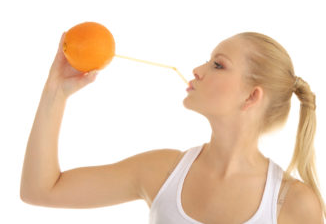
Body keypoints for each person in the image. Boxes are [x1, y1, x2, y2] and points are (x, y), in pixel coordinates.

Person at [20, 32, 325, 223]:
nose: (197, 69)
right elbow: (40, 190)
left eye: (218, 64)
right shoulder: (161, 171)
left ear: (251, 96)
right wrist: (55, 91)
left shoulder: (295, 205)